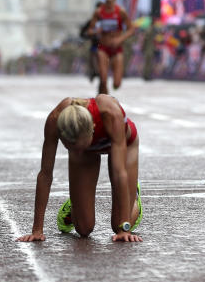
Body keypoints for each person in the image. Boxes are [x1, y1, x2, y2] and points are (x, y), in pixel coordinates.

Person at [16, 94, 142, 243]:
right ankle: (76, 202)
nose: (78, 152)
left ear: (93, 129)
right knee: (84, 229)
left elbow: (119, 173)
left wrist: (124, 229)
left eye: (80, 147)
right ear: (62, 136)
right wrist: (37, 230)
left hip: (125, 143)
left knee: (118, 224)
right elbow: (45, 174)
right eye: (71, 148)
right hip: (87, 148)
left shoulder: (110, 114)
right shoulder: (55, 120)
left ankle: (133, 196)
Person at [89, 0, 135, 95]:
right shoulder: (99, 12)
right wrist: (96, 31)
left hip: (116, 49)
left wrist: (120, 38)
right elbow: (90, 30)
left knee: (116, 84)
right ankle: (103, 100)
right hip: (103, 48)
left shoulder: (121, 11)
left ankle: (103, 92)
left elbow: (131, 29)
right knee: (103, 79)